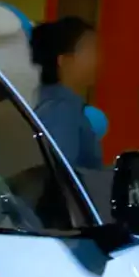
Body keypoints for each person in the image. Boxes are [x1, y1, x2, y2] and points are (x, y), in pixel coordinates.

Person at [29, 15, 106, 194]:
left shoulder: (51, 104)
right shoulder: (61, 112)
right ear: (63, 61)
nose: (98, 60)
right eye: (90, 50)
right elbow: (59, 183)